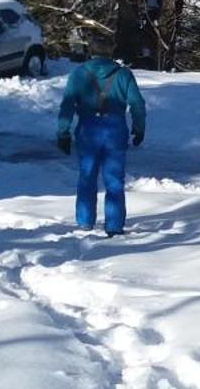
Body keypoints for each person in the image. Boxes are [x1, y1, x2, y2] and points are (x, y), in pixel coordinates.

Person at [56, 32, 147, 236]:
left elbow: (68, 105)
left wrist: (63, 132)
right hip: (115, 131)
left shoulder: (79, 74)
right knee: (114, 180)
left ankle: (85, 221)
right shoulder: (123, 74)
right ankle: (114, 225)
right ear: (110, 51)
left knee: (87, 176)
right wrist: (139, 128)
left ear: (91, 50)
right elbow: (137, 103)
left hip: (88, 130)